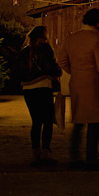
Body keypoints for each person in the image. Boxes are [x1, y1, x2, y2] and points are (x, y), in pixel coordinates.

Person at [57, 8, 99, 171]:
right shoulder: (97, 39)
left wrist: (76, 70)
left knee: (78, 121)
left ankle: (74, 156)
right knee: (94, 122)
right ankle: (91, 159)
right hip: (93, 83)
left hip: (77, 82)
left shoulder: (71, 38)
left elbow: (62, 61)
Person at [17, 26, 62, 166]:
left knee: (36, 121)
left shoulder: (24, 52)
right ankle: (45, 153)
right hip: (43, 87)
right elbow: (52, 68)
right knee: (47, 121)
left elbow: (17, 71)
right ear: (43, 36)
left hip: (28, 89)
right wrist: (58, 72)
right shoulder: (45, 49)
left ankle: (35, 154)